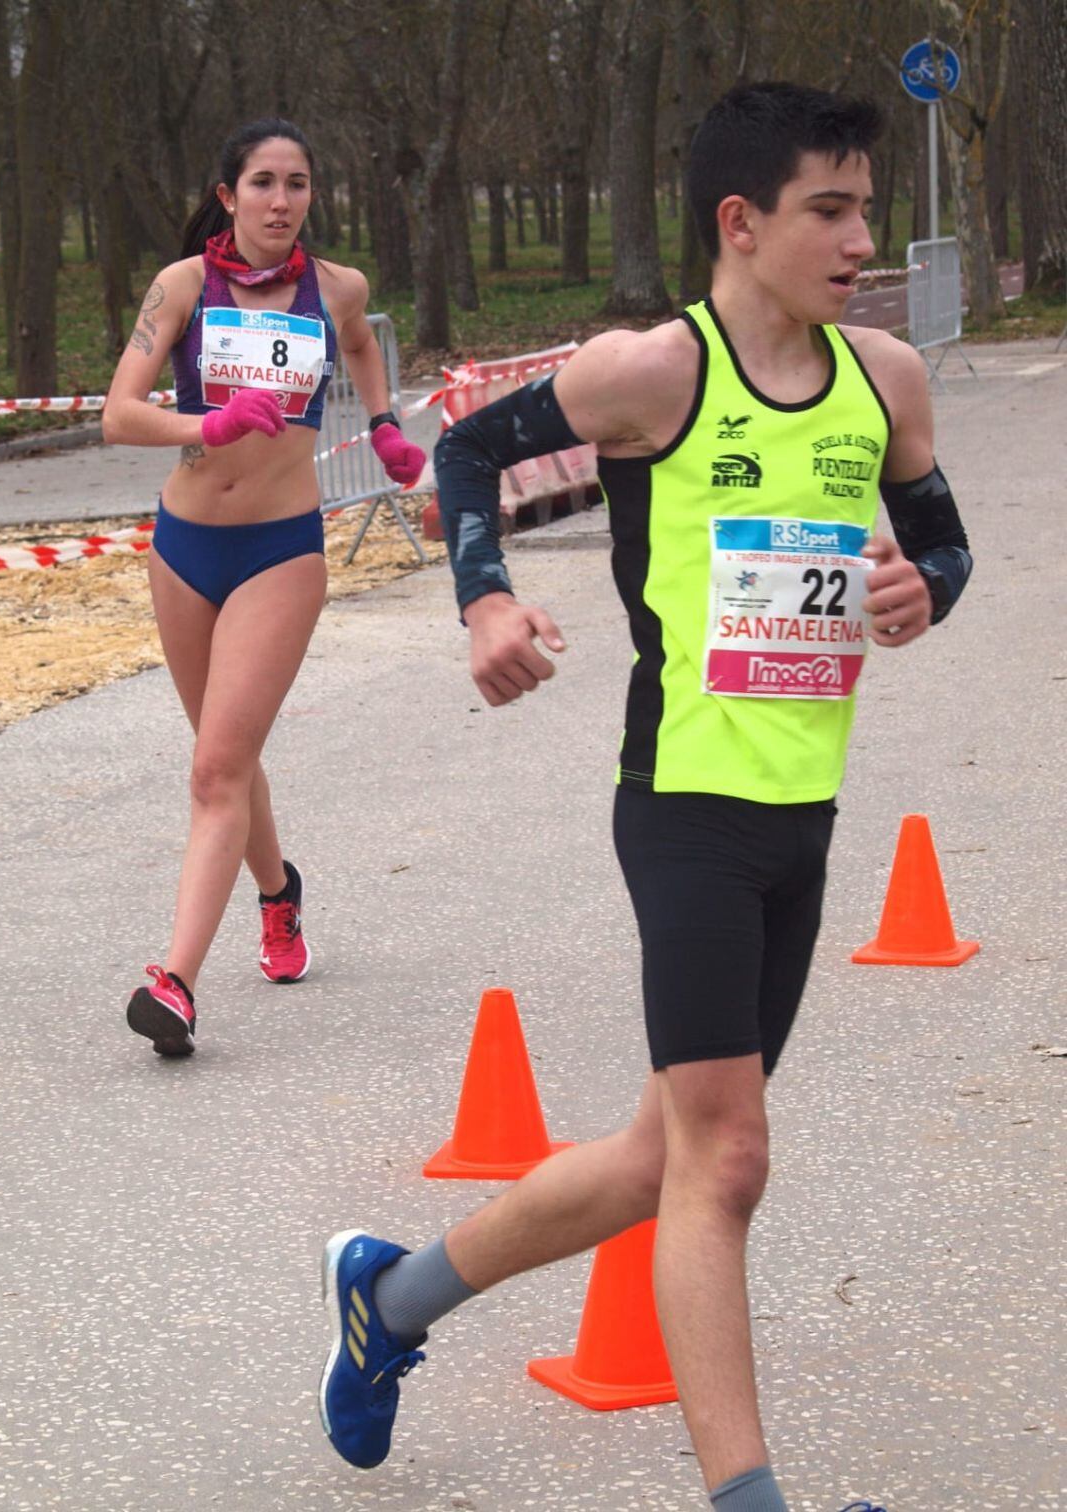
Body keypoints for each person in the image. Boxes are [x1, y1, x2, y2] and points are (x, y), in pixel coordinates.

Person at [316, 83, 972, 1510]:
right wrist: (486, 603)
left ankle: (393, 1298)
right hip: (681, 803)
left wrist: (924, 590)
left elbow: (941, 550)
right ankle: (751, 1501)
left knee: (656, 1156)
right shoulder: (653, 374)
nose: (865, 237)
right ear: (742, 223)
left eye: (868, 207)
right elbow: (472, 449)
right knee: (726, 1159)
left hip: (805, 810)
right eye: (832, 210)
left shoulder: (886, 382)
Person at [103, 118, 424, 1057]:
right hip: (184, 549)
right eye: (263, 184)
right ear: (230, 193)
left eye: (298, 184)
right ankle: (279, 895)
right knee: (226, 758)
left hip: (282, 551)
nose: (281, 201)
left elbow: (362, 345)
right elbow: (120, 416)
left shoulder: (337, 287)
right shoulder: (182, 287)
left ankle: (175, 984)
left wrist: (384, 424)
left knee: (214, 771)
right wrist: (205, 426)